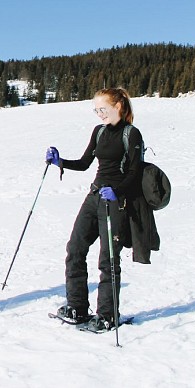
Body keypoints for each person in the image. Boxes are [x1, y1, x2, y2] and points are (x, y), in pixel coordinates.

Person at [45, 88, 143, 332]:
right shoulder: (99, 132)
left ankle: (107, 315)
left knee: (108, 258)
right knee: (75, 248)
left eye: (103, 109)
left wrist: (118, 191)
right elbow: (85, 162)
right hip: (94, 196)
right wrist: (60, 162)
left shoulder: (131, 134)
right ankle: (77, 307)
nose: (99, 114)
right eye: (96, 110)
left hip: (115, 201)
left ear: (118, 106)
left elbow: (135, 171)